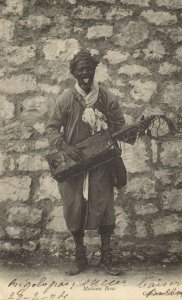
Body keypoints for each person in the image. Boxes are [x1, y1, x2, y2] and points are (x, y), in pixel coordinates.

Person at [46, 49, 144, 276]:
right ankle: (80, 258)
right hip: (73, 165)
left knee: (105, 208)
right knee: (73, 208)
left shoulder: (106, 97)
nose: (85, 73)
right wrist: (66, 147)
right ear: (74, 73)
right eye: (80, 70)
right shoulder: (66, 99)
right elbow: (51, 129)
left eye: (89, 68)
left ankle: (106, 258)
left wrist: (118, 128)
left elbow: (120, 126)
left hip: (102, 164)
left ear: (94, 70)